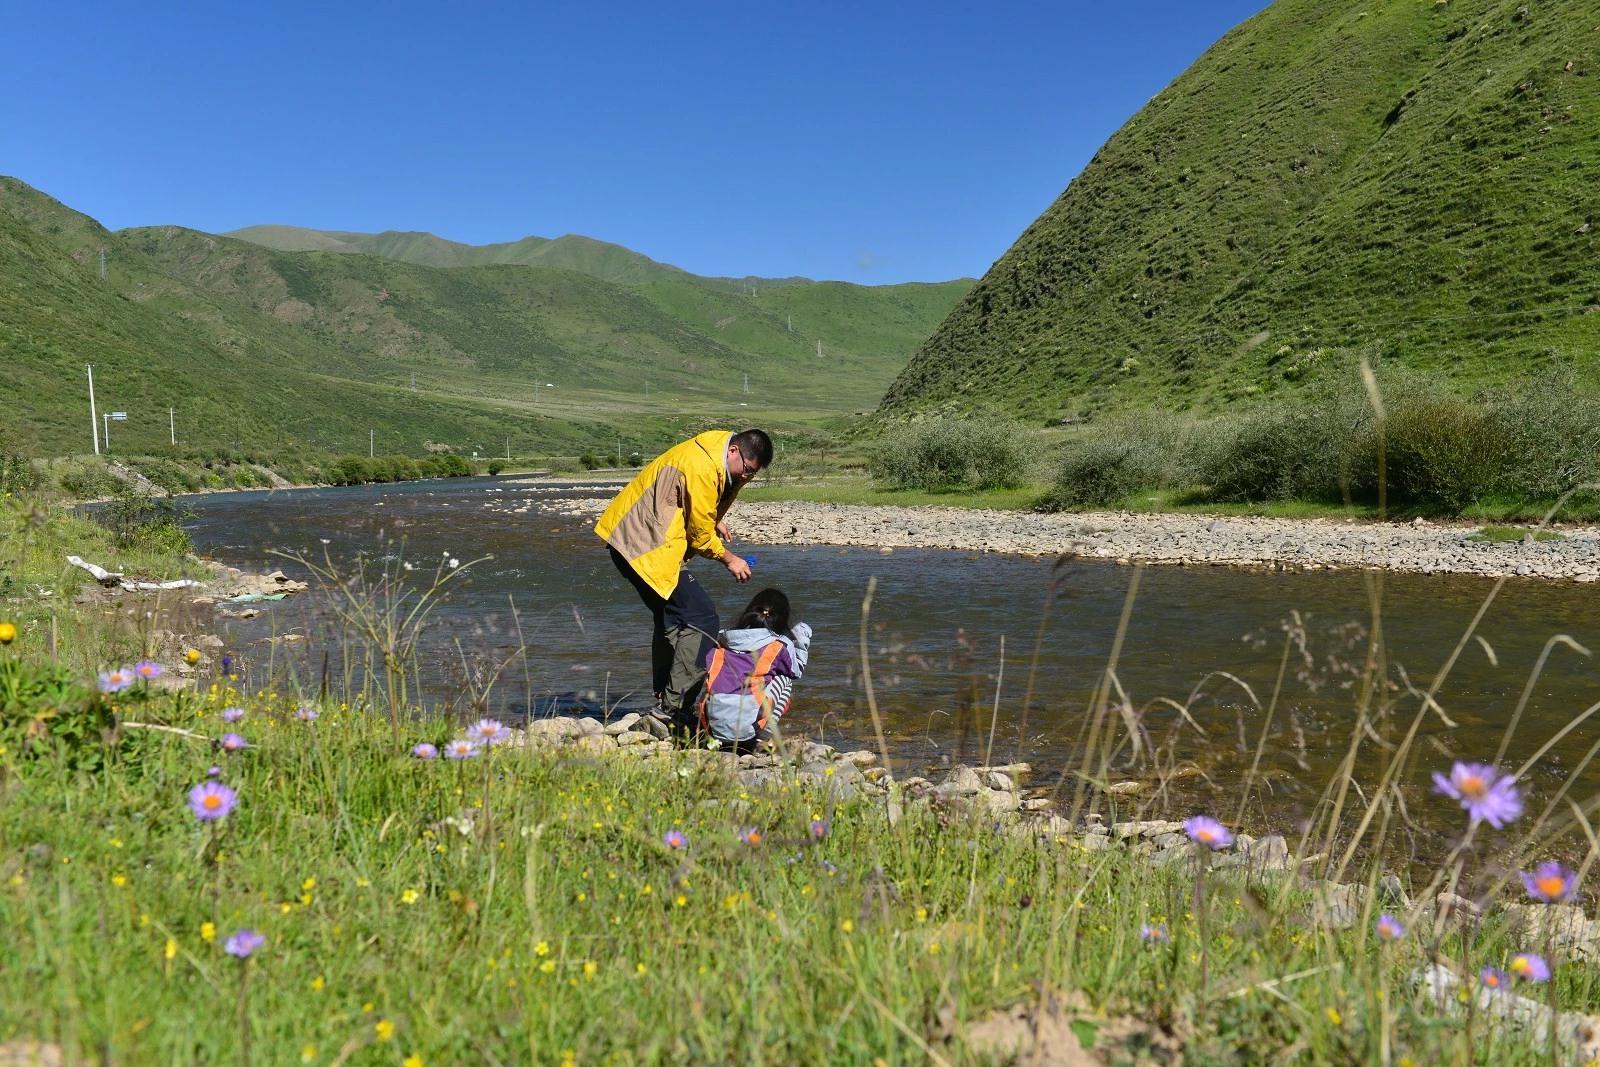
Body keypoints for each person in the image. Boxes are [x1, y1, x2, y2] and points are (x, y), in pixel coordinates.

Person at [595, 428, 773, 715]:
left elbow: (686, 498)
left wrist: (712, 518)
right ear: (734, 451)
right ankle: (673, 709)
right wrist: (730, 559)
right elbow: (700, 537)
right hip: (643, 545)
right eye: (747, 470)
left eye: (752, 474)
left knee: (672, 617)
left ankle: (664, 698)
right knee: (702, 617)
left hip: (633, 539)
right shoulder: (703, 465)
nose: (745, 477)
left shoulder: (719, 456)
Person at [696, 588, 812, 752]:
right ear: (782, 619)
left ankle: (705, 732)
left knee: (711, 682)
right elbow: (796, 671)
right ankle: (764, 736)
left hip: (714, 730)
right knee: (784, 678)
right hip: (748, 732)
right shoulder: (778, 646)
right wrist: (801, 641)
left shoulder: (721, 641)